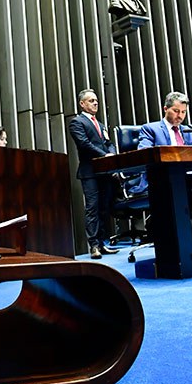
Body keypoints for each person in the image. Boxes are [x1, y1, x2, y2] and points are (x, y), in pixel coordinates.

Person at [68, 89, 119, 259]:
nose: (95, 103)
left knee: (104, 208)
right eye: (91, 101)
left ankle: (102, 243)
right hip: (89, 172)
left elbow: (109, 142)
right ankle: (94, 246)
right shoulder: (77, 122)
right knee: (92, 208)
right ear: (82, 104)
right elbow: (84, 144)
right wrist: (104, 155)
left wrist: (111, 153)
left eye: (96, 100)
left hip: (104, 171)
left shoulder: (101, 124)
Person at [128, 92, 192, 196]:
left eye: (183, 112)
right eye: (176, 111)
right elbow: (144, 154)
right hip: (161, 177)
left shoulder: (189, 131)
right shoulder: (150, 129)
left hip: (188, 177)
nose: (180, 116)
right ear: (165, 109)